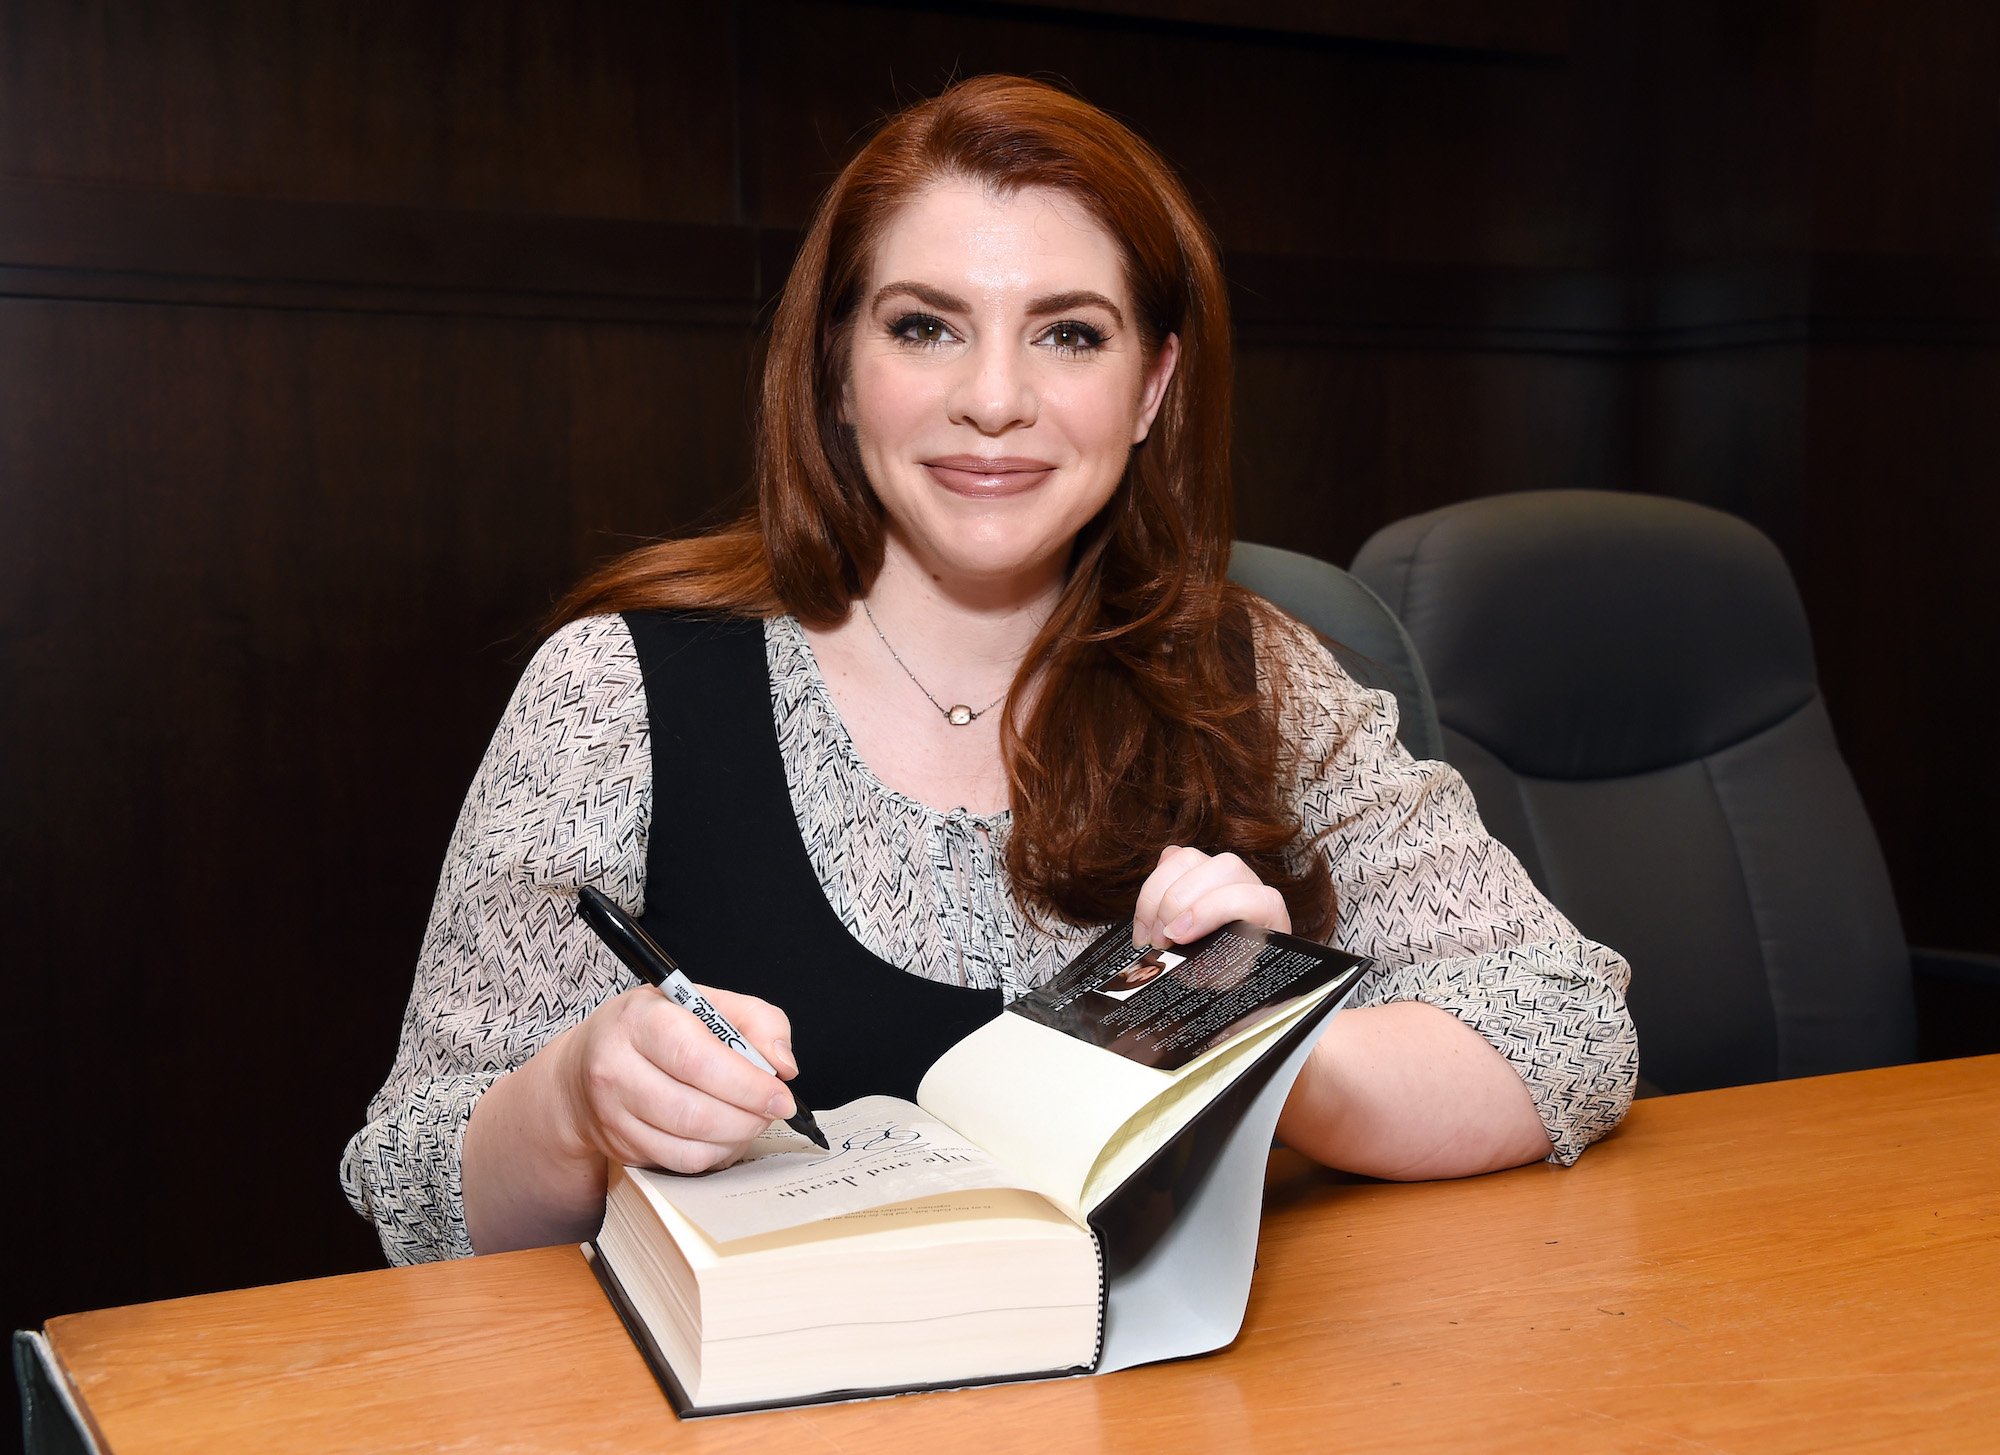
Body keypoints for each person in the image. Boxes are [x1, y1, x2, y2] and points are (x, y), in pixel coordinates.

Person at [342, 75, 1636, 1266]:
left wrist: (1263, 1048)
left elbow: (1567, 1030)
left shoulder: (1259, 677)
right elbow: (412, 1186)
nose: (997, 398)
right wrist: (574, 1102)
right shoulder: (616, 690)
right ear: (841, 366)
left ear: (1152, 387)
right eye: (927, 327)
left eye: (1069, 335)